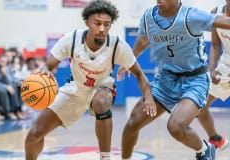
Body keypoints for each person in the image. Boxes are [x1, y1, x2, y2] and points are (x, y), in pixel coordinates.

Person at [24, 0, 154, 160]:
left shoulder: (117, 45)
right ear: (87, 22)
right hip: (75, 90)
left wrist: (148, 97)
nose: (102, 29)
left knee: (100, 101)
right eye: (97, 23)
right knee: (34, 134)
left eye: (107, 25)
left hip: (102, 89)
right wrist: (45, 72)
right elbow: (49, 65)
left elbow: (140, 74)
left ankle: (105, 157)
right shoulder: (72, 39)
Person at [119, 0, 230, 160]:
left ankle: (204, 149)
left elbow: (224, 21)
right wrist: (130, 58)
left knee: (175, 126)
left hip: (195, 80)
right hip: (166, 79)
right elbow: (144, 39)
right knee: (132, 124)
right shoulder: (149, 16)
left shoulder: (192, 15)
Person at [198, 0, 230, 151]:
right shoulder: (216, 13)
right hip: (225, 65)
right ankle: (216, 139)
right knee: (199, 106)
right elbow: (216, 46)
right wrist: (212, 70)